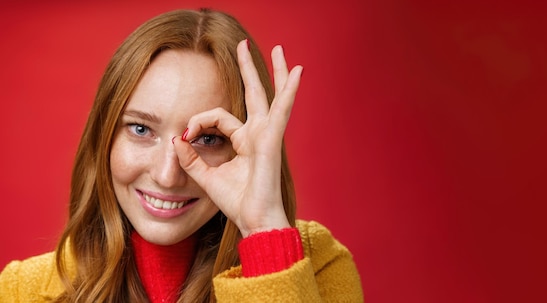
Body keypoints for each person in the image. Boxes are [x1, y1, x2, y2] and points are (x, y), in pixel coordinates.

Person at [0, 8, 362, 302]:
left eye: (207, 140)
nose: (167, 175)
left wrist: (263, 232)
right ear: (104, 137)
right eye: (141, 130)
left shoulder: (316, 264)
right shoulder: (20, 291)